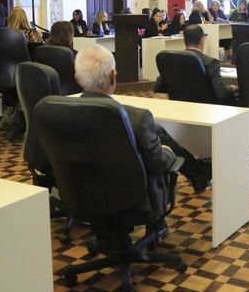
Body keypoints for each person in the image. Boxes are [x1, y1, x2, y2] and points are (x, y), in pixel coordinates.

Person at [75, 45, 212, 193]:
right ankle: (198, 170)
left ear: (77, 78)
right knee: (157, 133)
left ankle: (198, 170)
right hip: (131, 195)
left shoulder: (60, 114)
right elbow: (159, 163)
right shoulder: (137, 118)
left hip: (78, 192)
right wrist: (167, 152)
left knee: (156, 130)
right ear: (113, 77)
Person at [154, 25, 238, 104]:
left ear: (184, 41)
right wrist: (231, 88)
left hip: (178, 107)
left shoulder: (171, 60)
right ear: (202, 40)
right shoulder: (211, 62)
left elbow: (158, 88)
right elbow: (222, 94)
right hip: (207, 109)